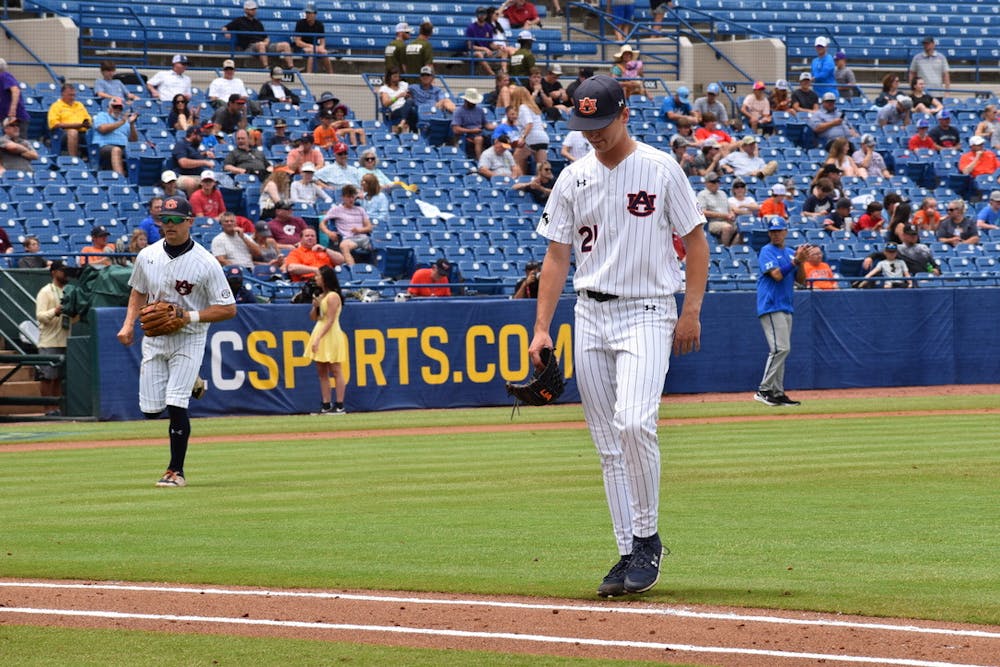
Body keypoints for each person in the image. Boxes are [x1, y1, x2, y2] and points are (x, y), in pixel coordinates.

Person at [526, 74, 708, 598]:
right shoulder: (573, 177)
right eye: (585, 126)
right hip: (589, 313)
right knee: (608, 444)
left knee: (633, 421)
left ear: (624, 113)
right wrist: (541, 328)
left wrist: (690, 310)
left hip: (649, 309)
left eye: (601, 124)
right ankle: (627, 548)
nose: (594, 135)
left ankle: (647, 538)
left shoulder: (659, 167)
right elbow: (556, 255)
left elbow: (695, 243)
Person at [116, 195, 236, 488]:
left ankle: (175, 471)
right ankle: (194, 381)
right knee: (151, 409)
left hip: (189, 338)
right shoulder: (148, 255)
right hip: (155, 338)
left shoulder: (206, 262)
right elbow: (137, 291)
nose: (168, 225)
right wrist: (128, 323)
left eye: (174, 220)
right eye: (163, 220)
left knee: (176, 403)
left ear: (189, 222)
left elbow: (228, 308)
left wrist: (189, 318)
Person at [754, 219, 810, 407]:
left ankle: (777, 393)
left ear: (785, 232)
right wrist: (795, 260)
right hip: (771, 305)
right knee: (780, 349)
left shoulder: (789, 252)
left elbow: (801, 280)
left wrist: (800, 262)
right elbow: (777, 275)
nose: (776, 234)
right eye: (773, 231)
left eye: (779, 230)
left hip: (786, 305)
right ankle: (764, 389)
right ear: (769, 233)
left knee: (782, 351)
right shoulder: (766, 251)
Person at [306, 264, 348, 414]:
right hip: (320, 329)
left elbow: (330, 320)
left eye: (318, 276)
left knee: (336, 369)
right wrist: (315, 306)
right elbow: (314, 317)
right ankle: (326, 404)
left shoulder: (333, 296)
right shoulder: (321, 296)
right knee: (322, 370)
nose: (316, 278)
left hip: (330, 333)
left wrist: (318, 338)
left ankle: (340, 404)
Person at [36, 260, 72, 413]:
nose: (65, 273)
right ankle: (47, 408)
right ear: (54, 272)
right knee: (47, 377)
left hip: (65, 340)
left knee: (58, 378)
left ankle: (56, 408)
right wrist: (55, 312)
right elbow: (40, 316)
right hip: (49, 341)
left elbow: (71, 319)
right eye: (62, 270)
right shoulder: (45, 291)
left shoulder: (69, 291)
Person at [223, 0, 294, 71]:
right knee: (261, 45)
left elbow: (266, 37)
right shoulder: (239, 21)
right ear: (246, 10)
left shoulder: (258, 22)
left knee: (285, 45)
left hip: (262, 45)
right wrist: (226, 32)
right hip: (249, 47)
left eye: (254, 9)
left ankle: (291, 67)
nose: (254, 11)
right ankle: (266, 67)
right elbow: (225, 28)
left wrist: (265, 43)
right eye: (251, 9)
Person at [319, 184, 373, 265]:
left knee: (380, 245)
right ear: (343, 197)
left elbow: (369, 227)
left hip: (364, 238)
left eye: (353, 197)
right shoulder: (336, 209)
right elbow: (322, 224)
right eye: (348, 197)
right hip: (349, 239)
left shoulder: (360, 210)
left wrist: (360, 230)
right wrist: (329, 233)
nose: (351, 200)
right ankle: (353, 271)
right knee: (344, 246)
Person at [862, 223, 941, 276]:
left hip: (925, 279)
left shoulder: (924, 249)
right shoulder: (898, 249)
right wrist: (870, 257)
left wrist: (936, 270)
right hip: (908, 280)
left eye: (915, 234)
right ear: (904, 235)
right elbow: (879, 254)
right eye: (910, 235)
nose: (913, 237)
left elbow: (935, 265)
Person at [90, 97, 138, 176]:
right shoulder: (102, 115)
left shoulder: (125, 121)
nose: (117, 109)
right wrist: (121, 122)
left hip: (124, 148)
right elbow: (103, 129)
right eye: (115, 107)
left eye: (120, 108)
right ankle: (121, 179)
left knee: (140, 152)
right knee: (116, 150)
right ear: (109, 108)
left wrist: (132, 124)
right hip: (103, 146)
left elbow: (134, 140)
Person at [509, 84, 548, 175]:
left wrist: (523, 137)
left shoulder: (523, 107)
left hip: (532, 137)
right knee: (541, 166)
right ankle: (543, 184)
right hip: (543, 138)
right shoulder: (533, 108)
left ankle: (518, 181)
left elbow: (529, 124)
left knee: (515, 159)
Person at [47, 84, 91, 158]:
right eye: (70, 95)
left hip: (83, 132)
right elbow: (54, 124)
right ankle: (74, 159)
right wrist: (74, 125)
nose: (72, 97)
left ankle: (89, 159)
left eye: (74, 95)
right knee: (72, 132)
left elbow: (88, 119)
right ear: (62, 94)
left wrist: (86, 123)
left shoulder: (79, 105)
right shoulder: (56, 106)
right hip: (62, 134)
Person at [452, 88, 495, 160]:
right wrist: (471, 131)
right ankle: (480, 161)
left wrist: (497, 127)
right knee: (479, 139)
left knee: (496, 137)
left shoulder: (479, 110)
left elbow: (486, 124)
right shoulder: (458, 111)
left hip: (481, 133)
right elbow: (456, 129)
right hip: (466, 136)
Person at [697, 171, 739, 246]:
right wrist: (724, 216)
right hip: (712, 222)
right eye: (713, 182)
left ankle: (732, 249)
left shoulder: (722, 193)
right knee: (727, 227)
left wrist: (732, 214)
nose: (716, 184)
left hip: (728, 220)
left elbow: (730, 208)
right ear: (707, 183)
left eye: (718, 181)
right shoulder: (702, 194)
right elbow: (703, 212)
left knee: (743, 228)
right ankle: (725, 249)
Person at [171, 127, 216, 194]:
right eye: (200, 136)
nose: (202, 139)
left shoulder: (194, 146)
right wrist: (204, 162)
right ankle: (193, 203)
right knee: (191, 183)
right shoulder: (181, 144)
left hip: (197, 175)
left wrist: (204, 153)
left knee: (213, 181)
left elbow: (193, 156)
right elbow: (183, 163)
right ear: (193, 135)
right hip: (182, 176)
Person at [293, 3, 333, 74]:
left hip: (315, 47)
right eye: (306, 13)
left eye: (309, 13)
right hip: (303, 48)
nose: (307, 15)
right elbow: (298, 42)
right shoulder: (300, 23)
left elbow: (322, 42)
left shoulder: (319, 25)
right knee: (312, 52)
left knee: (324, 52)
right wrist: (311, 46)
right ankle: (309, 74)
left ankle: (331, 75)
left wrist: (320, 48)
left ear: (315, 14)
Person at [379, 68, 418, 134]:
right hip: (395, 111)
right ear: (389, 77)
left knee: (411, 105)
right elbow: (385, 103)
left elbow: (411, 94)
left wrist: (408, 95)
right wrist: (398, 96)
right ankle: (415, 132)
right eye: (395, 77)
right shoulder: (385, 89)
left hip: (407, 108)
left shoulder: (403, 85)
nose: (397, 79)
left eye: (398, 76)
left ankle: (402, 123)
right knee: (411, 107)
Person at [466, 8, 499, 76]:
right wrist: (484, 48)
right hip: (474, 52)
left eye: (483, 14)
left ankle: (504, 73)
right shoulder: (471, 27)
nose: (482, 16)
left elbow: (491, 43)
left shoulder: (489, 27)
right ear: (477, 15)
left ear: (486, 16)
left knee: (504, 51)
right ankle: (492, 74)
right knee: (479, 54)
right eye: (480, 14)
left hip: (487, 52)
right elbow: (470, 46)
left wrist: (499, 47)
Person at [0, 58, 29, 134]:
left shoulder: (4, 76)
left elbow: (15, 90)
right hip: (5, 118)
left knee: (19, 142)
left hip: (15, 118)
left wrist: (12, 110)